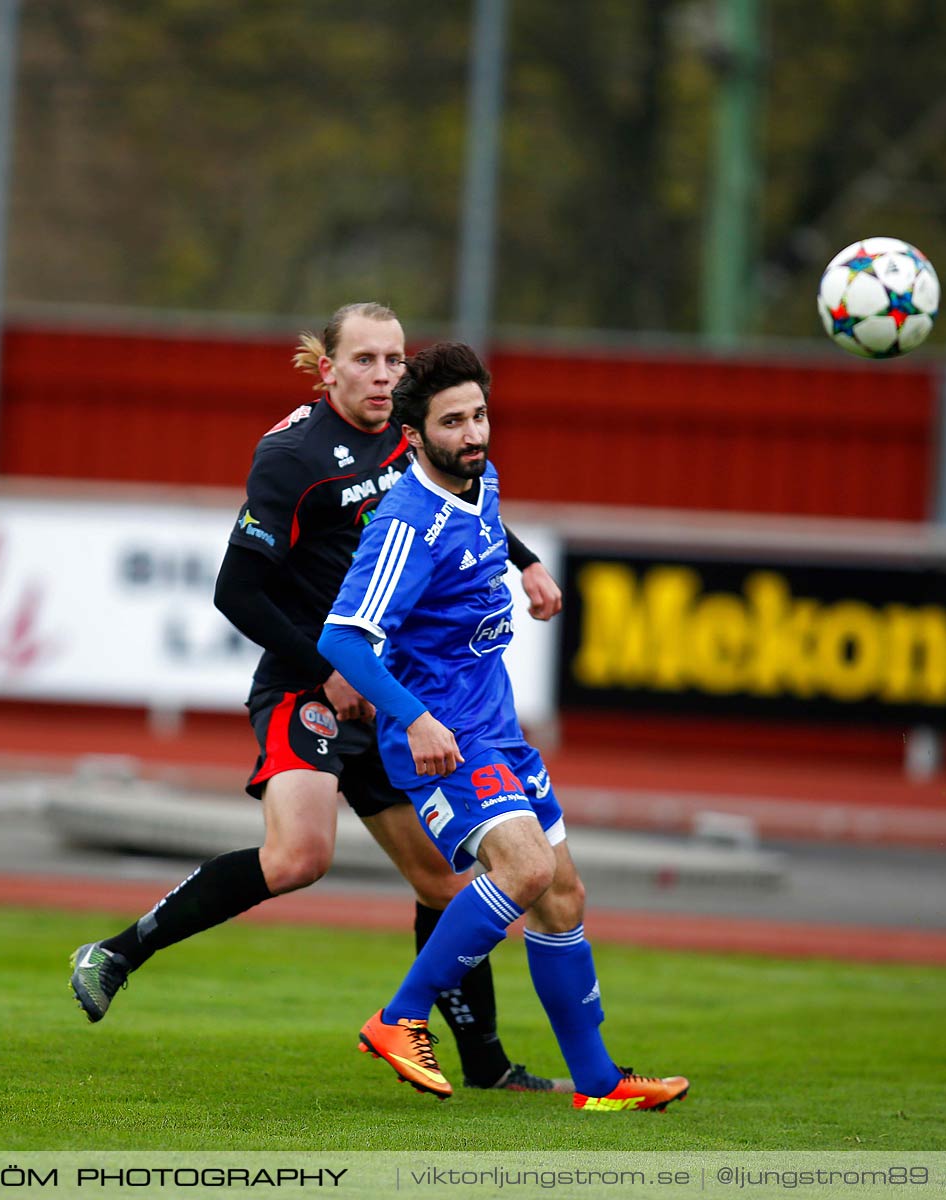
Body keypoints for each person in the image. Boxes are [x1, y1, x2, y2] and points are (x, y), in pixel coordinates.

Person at [69, 303, 570, 1093]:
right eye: (365, 360)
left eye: (395, 360)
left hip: (389, 691)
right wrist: (324, 670)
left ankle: (485, 1063)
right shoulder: (293, 454)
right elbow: (237, 590)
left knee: (446, 882)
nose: (383, 375)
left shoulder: (414, 431)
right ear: (326, 368)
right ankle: (117, 952)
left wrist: (527, 561)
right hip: (309, 681)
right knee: (299, 857)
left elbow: (459, 506)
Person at [317, 341, 691, 1112]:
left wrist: (527, 566)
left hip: (497, 726)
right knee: (522, 872)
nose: (474, 434)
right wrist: (414, 719)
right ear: (414, 436)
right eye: (453, 422)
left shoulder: (480, 482)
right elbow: (343, 640)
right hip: (443, 736)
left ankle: (597, 1083)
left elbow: (485, 527)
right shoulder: (404, 525)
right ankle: (398, 1018)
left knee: (563, 897)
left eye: (480, 415)